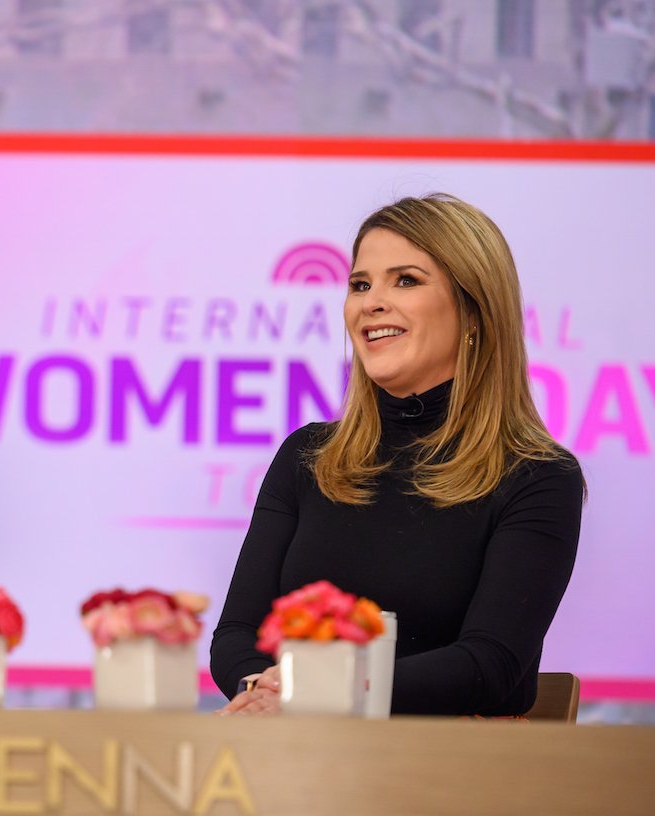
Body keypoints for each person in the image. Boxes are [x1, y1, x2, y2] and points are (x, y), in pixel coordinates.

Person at [211, 193, 584, 719]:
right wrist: (264, 688)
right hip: (297, 747)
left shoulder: (538, 476)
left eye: (405, 280)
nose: (371, 303)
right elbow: (236, 634)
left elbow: (491, 663)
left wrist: (321, 693)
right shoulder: (307, 457)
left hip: (451, 759)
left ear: (474, 311)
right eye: (360, 284)